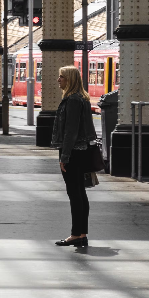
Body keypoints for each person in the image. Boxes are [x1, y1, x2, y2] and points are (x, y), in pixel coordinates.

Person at [51, 65, 97, 247]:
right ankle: (81, 233)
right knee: (80, 193)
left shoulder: (72, 101)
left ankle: (76, 234)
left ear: (69, 79)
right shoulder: (82, 99)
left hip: (74, 152)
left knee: (75, 193)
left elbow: (70, 132)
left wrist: (65, 156)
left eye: (61, 77)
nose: (58, 80)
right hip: (82, 151)